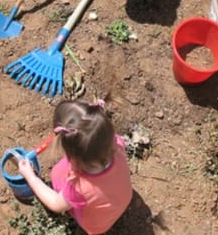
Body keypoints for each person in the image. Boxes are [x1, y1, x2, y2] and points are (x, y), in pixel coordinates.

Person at [18, 99, 133, 234]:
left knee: (68, 197)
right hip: (120, 201)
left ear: (74, 156)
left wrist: (31, 177)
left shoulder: (80, 187)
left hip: (97, 224)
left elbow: (55, 204)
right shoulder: (117, 144)